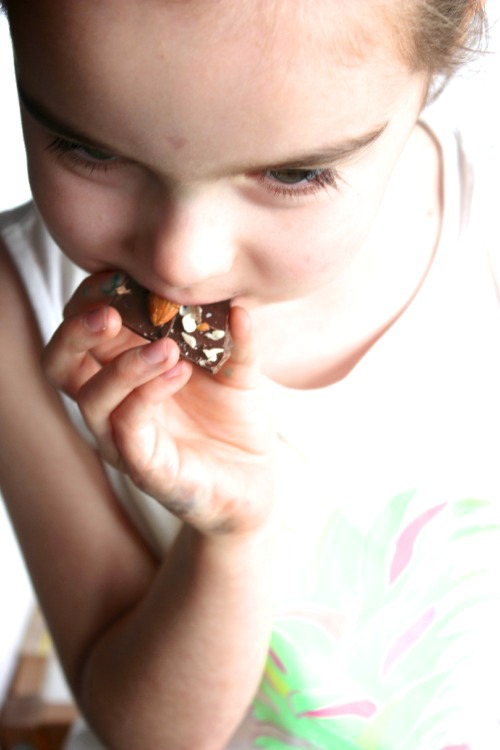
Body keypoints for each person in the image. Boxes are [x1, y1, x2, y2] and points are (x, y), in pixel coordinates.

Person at [0, 1, 499, 748]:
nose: (180, 261)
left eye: (295, 173)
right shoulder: (18, 309)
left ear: (454, 34)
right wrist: (231, 535)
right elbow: (149, 732)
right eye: (87, 150)